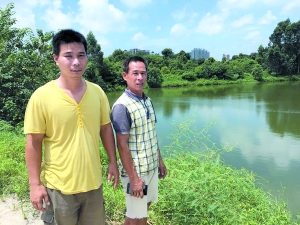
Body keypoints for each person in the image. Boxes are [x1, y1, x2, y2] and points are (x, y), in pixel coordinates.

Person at [24, 29, 119, 225]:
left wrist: (113, 161)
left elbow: (105, 128)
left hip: (93, 185)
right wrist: (35, 184)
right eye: (68, 56)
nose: (76, 62)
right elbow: (34, 142)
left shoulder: (97, 92)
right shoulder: (41, 97)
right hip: (59, 188)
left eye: (81, 55)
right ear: (56, 58)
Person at [110, 56, 167, 225]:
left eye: (143, 73)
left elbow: (151, 134)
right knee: (137, 217)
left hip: (151, 166)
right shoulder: (122, 106)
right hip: (136, 171)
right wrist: (134, 178)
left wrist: (160, 162)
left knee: (141, 210)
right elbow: (122, 145)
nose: (140, 77)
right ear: (124, 75)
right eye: (135, 73)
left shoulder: (147, 100)